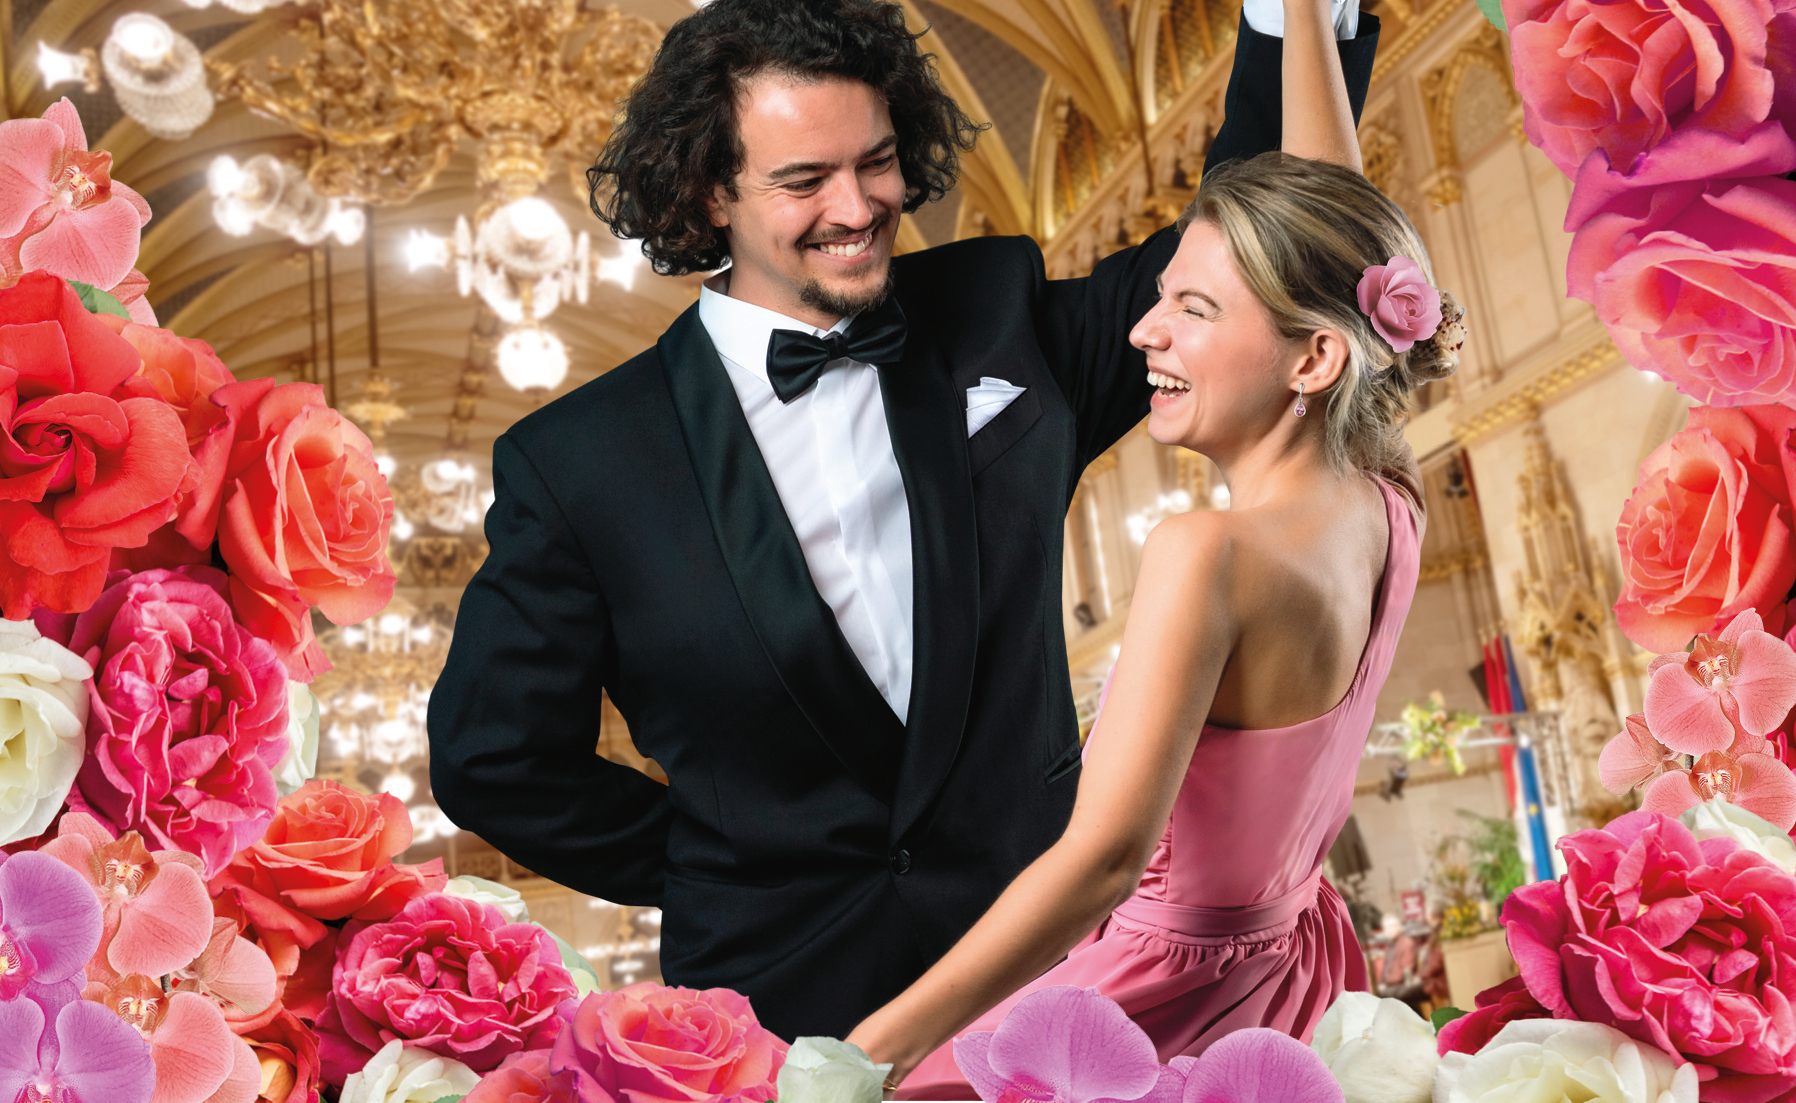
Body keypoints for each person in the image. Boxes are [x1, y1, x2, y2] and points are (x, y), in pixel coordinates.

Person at [425, 0, 1381, 1042]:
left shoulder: (994, 310)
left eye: (875, 162)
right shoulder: (577, 462)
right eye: (804, 181)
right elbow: (493, 758)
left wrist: (1291, 15)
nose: (858, 205)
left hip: (1071, 970)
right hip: (785, 1005)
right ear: (708, 192)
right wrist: (717, 857)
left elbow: (1253, 245)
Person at [844, 41, 1465, 1093]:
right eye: (1163, 295)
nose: (1143, 330)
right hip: (1290, 974)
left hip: (1160, 995)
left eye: (1193, 309)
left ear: (1314, 358)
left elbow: (1100, 862)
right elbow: (1337, 222)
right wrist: (1301, 21)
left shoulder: (1205, 553)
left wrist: (868, 1050)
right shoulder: (1386, 497)